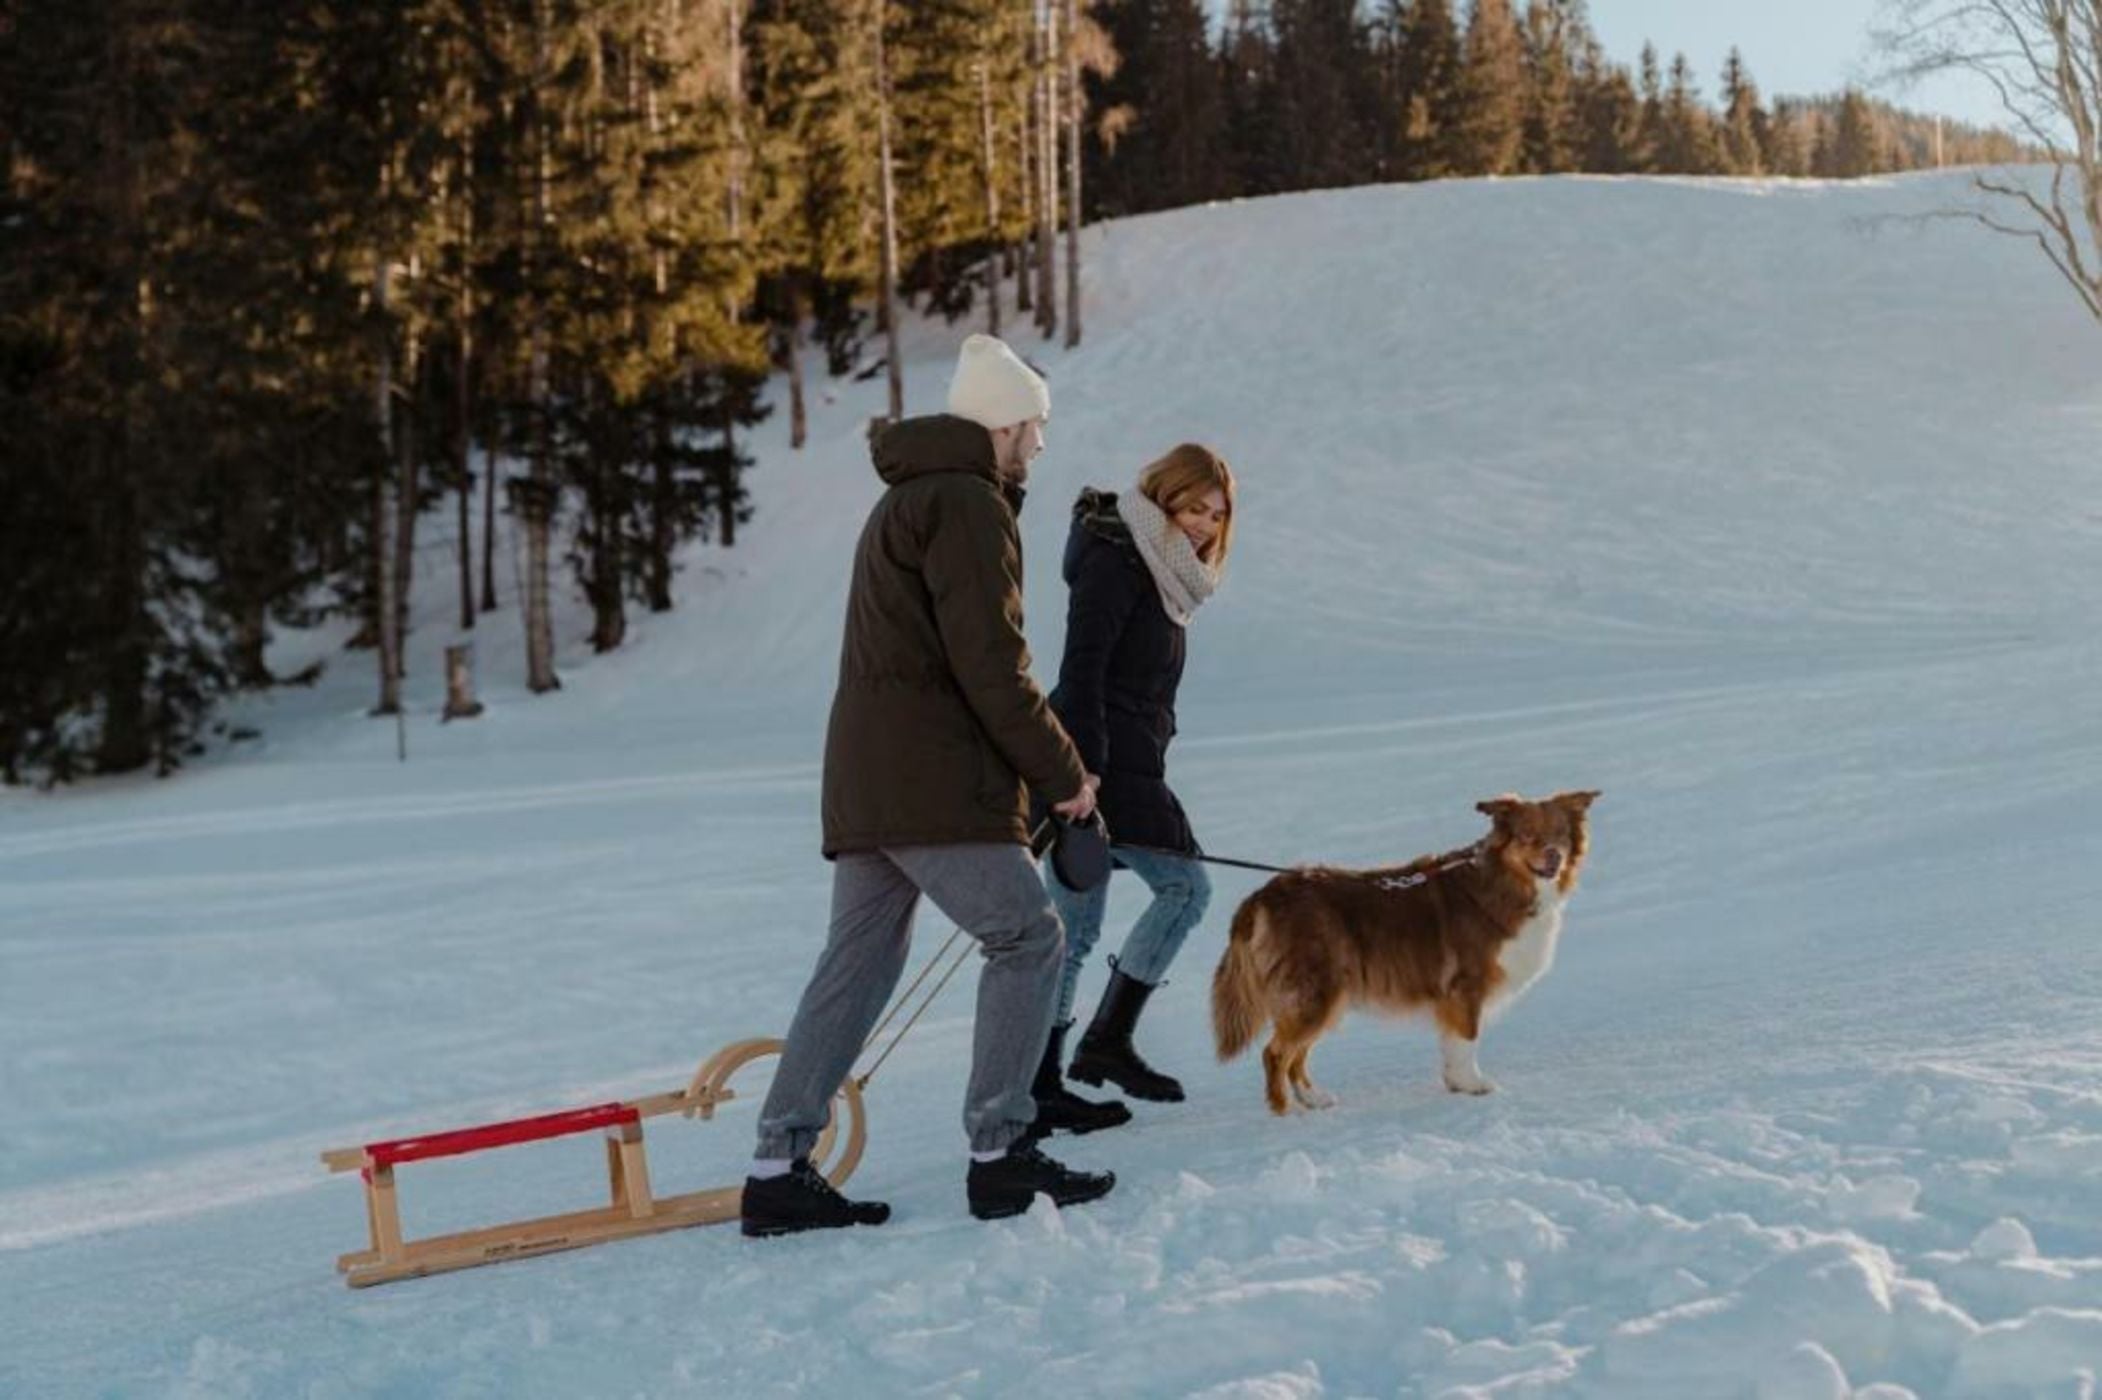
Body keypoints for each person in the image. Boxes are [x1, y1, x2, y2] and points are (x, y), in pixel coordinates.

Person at [742, 334, 1118, 1236]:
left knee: (859, 962)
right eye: (1036, 427)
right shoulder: (965, 503)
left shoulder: (910, 496)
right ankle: (1001, 1153)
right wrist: (1064, 777)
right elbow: (993, 664)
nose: (1040, 444)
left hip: (873, 779)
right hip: (930, 778)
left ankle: (776, 1169)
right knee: (1028, 936)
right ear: (1008, 423)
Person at [1033, 444, 1235, 1131]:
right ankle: (1100, 1044)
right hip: (1103, 769)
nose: (1204, 525)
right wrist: (1084, 769)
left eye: (1217, 515)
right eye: (1193, 508)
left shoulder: (1160, 569)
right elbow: (1082, 670)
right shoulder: (1117, 559)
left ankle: (1046, 1077)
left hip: (1126, 763)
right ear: (1163, 497)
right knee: (1186, 889)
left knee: (1074, 929)